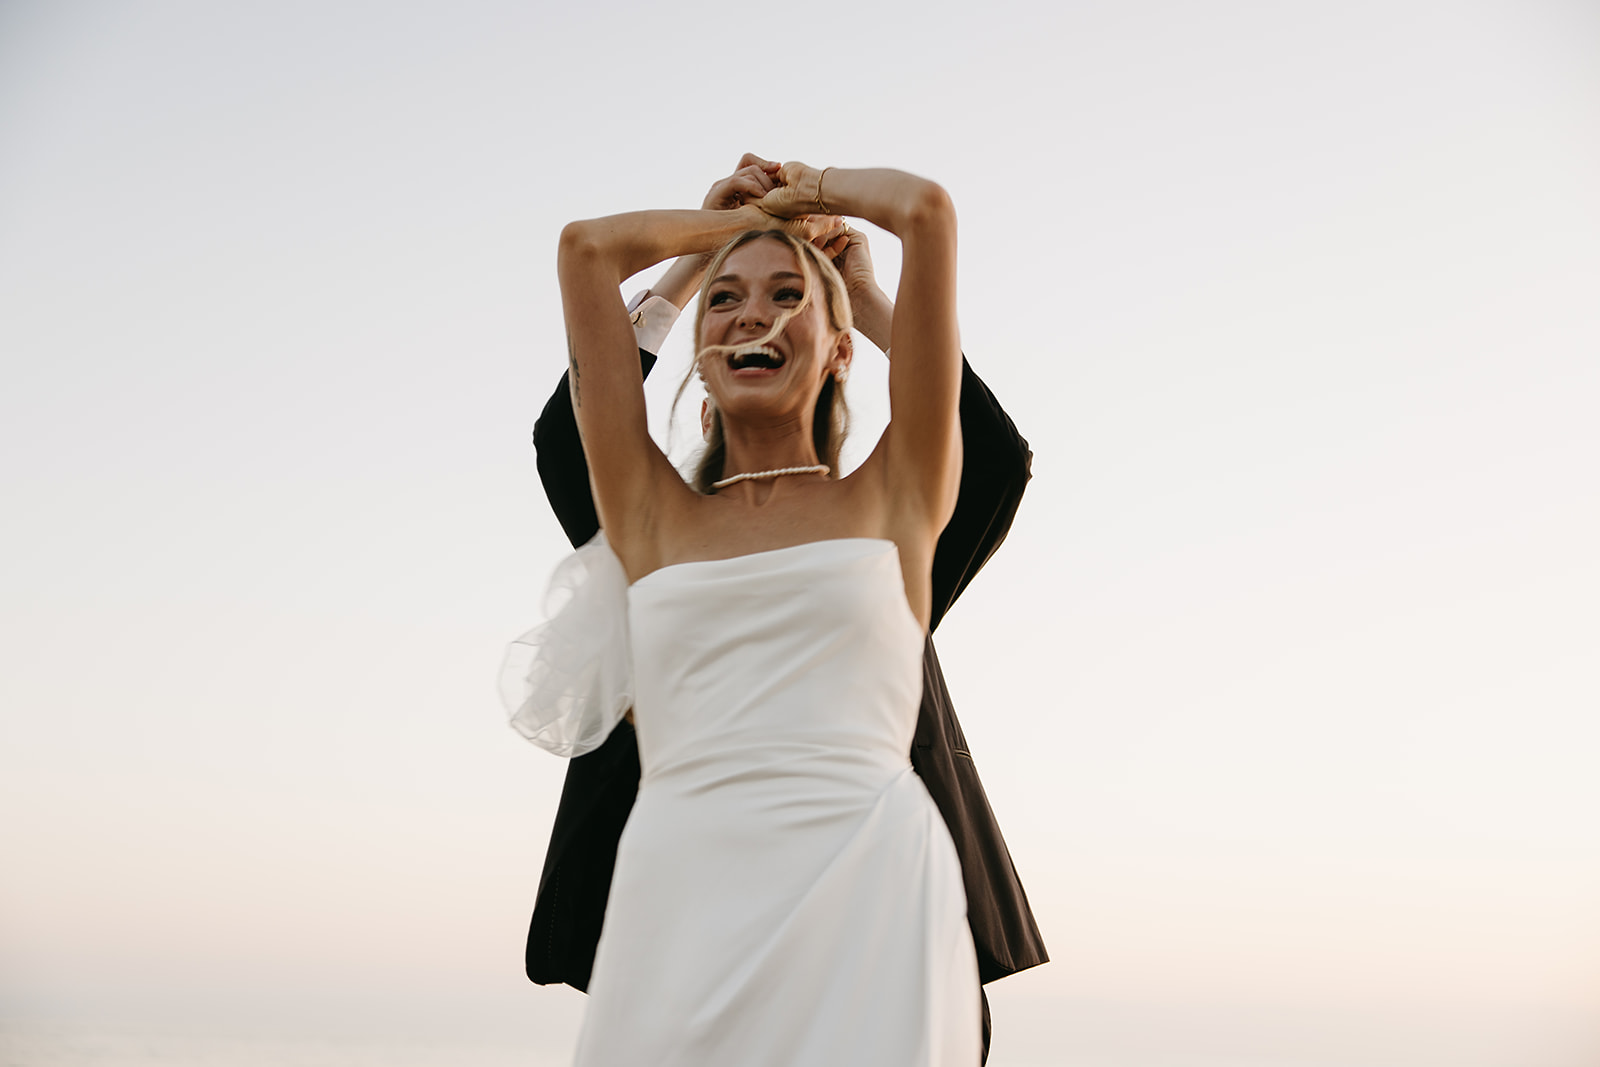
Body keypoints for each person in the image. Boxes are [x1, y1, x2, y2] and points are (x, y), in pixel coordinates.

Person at [504, 161, 1032, 1064]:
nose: (756, 313)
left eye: (789, 300)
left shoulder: (895, 512)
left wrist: (844, 275)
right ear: (698, 363)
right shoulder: (646, 522)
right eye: (730, 304)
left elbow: (927, 215)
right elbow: (587, 254)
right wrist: (728, 243)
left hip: (870, 901)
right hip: (684, 899)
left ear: (837, 352)